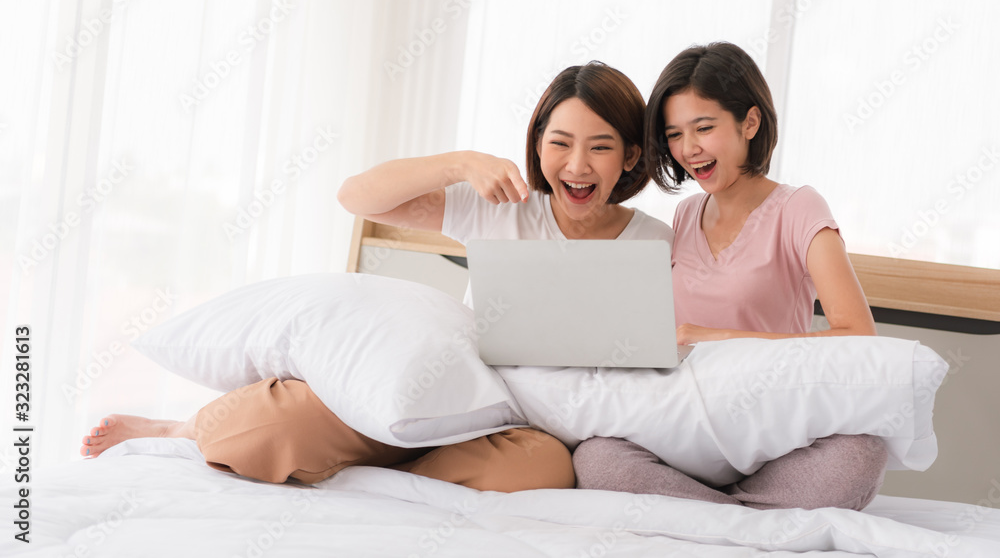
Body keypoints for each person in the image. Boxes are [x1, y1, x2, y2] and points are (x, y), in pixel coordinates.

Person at [81, 62, 674, 493]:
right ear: (537, 146)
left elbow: (666, 340)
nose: (576, 165)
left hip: (522, 423)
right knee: (259, 431)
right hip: (433, 390)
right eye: (560, 143)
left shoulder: (654, 240)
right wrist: (460, 163)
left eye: (600, 147)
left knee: (538, 473)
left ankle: (374, 472)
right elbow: (356, 197)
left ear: (628, 157)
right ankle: (177, 426)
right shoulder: (502, 206)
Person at [573, 42, 886, 511]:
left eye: (704, 128)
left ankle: (706, 509)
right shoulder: (683, 215)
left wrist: (716, 338)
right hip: (685, 428)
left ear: (750, 122)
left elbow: (858, 335)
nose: (688, 149)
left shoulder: (799, 208)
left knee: (862, 454)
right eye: (675, 134)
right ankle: (741, 512)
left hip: (771, 429)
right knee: (597, 459)